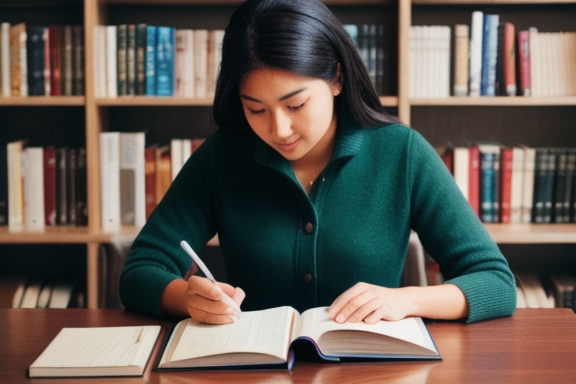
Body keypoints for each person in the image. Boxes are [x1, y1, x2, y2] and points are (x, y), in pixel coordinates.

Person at [119, 0, 516, 325]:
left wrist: (406, 300)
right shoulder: (223, 156)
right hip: (254, 370)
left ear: (337, 79)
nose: (279, 129)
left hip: (370, 371)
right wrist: (187, 298)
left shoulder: (402, 153)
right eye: (256, 109)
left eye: (296, 104)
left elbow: (496, 283)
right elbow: (139, 272)